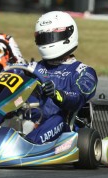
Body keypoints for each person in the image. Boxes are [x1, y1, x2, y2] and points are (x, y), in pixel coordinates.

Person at [23, 11, 98, 144]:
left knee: (57, 118)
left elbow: (77, 98)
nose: (47, 42)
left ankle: (27, 145)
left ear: (68, 35)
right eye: (43, 38)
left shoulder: (83, 71)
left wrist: (57, 94)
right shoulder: (30, 68)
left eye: (51, 37)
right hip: (30, 121)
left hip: (64, 128)